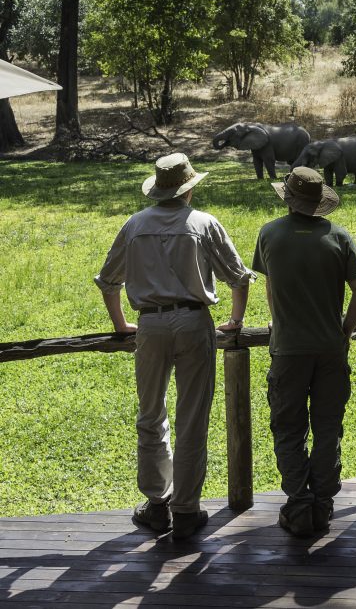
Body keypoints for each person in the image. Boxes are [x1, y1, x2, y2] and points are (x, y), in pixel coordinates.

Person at [95, 153, 253, 540]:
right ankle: (186, 509)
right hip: (194, 321)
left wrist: (120, 324)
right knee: (193, 416)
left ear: (158, 189)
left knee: (151, 415)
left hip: (149, 324)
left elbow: (108, 281)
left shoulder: (134, 225)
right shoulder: (203, 223)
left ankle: (156, 504)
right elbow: (238, 277)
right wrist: (235, 319)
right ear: (189, 187)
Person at [252, 167, 356, 536]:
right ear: (320, 202)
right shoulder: (339, 237)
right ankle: (323, 502)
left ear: (287, 198)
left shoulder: (269, 234)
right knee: (327, 427)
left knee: (288, 428)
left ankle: (299, 504)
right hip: (330, 350)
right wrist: (346, 330)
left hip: (288, 350)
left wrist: (280, 321)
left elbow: (271, 287)